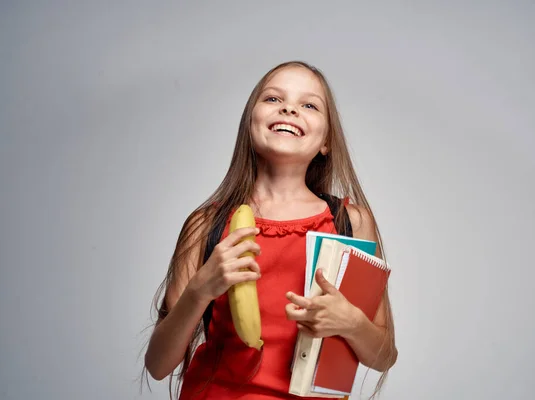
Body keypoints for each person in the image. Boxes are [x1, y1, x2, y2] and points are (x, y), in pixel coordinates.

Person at [142, 60, 397, 399]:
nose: (289, 108)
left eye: (309, 105)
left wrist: (350, 323)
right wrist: (199, 290)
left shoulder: (351, 224)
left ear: (326, 142)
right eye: (273, 99)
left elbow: (383, 356)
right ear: (250, 123)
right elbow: (158, 365)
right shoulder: (206, 225)